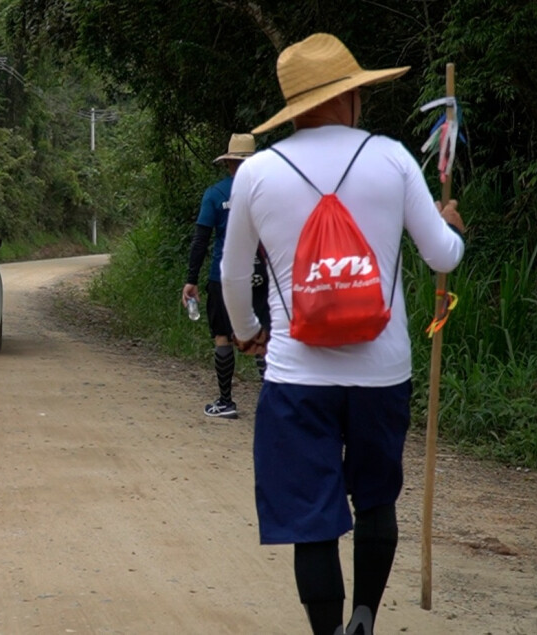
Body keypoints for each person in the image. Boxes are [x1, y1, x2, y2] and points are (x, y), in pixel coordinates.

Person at [220, 34, 465, 635]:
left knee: (313, 518)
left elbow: (232, 274)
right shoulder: (391, 158)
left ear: (296, 108)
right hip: (382, 372)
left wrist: (252, 333)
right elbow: (443, 256)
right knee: (376, 499)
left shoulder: (256, 172)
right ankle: (364, 617)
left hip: (297, 375)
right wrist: (449, 223)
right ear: (350, 96)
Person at [182, 133, 269, 419]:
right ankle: (274, 408)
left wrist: (191, 279)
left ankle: (225, 401)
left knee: (222, 336)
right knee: (261, 339)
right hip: (258, 276)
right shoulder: (267, 193)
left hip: (222, 277)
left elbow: (200, 240)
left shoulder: (216, 194)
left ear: (229, 163)